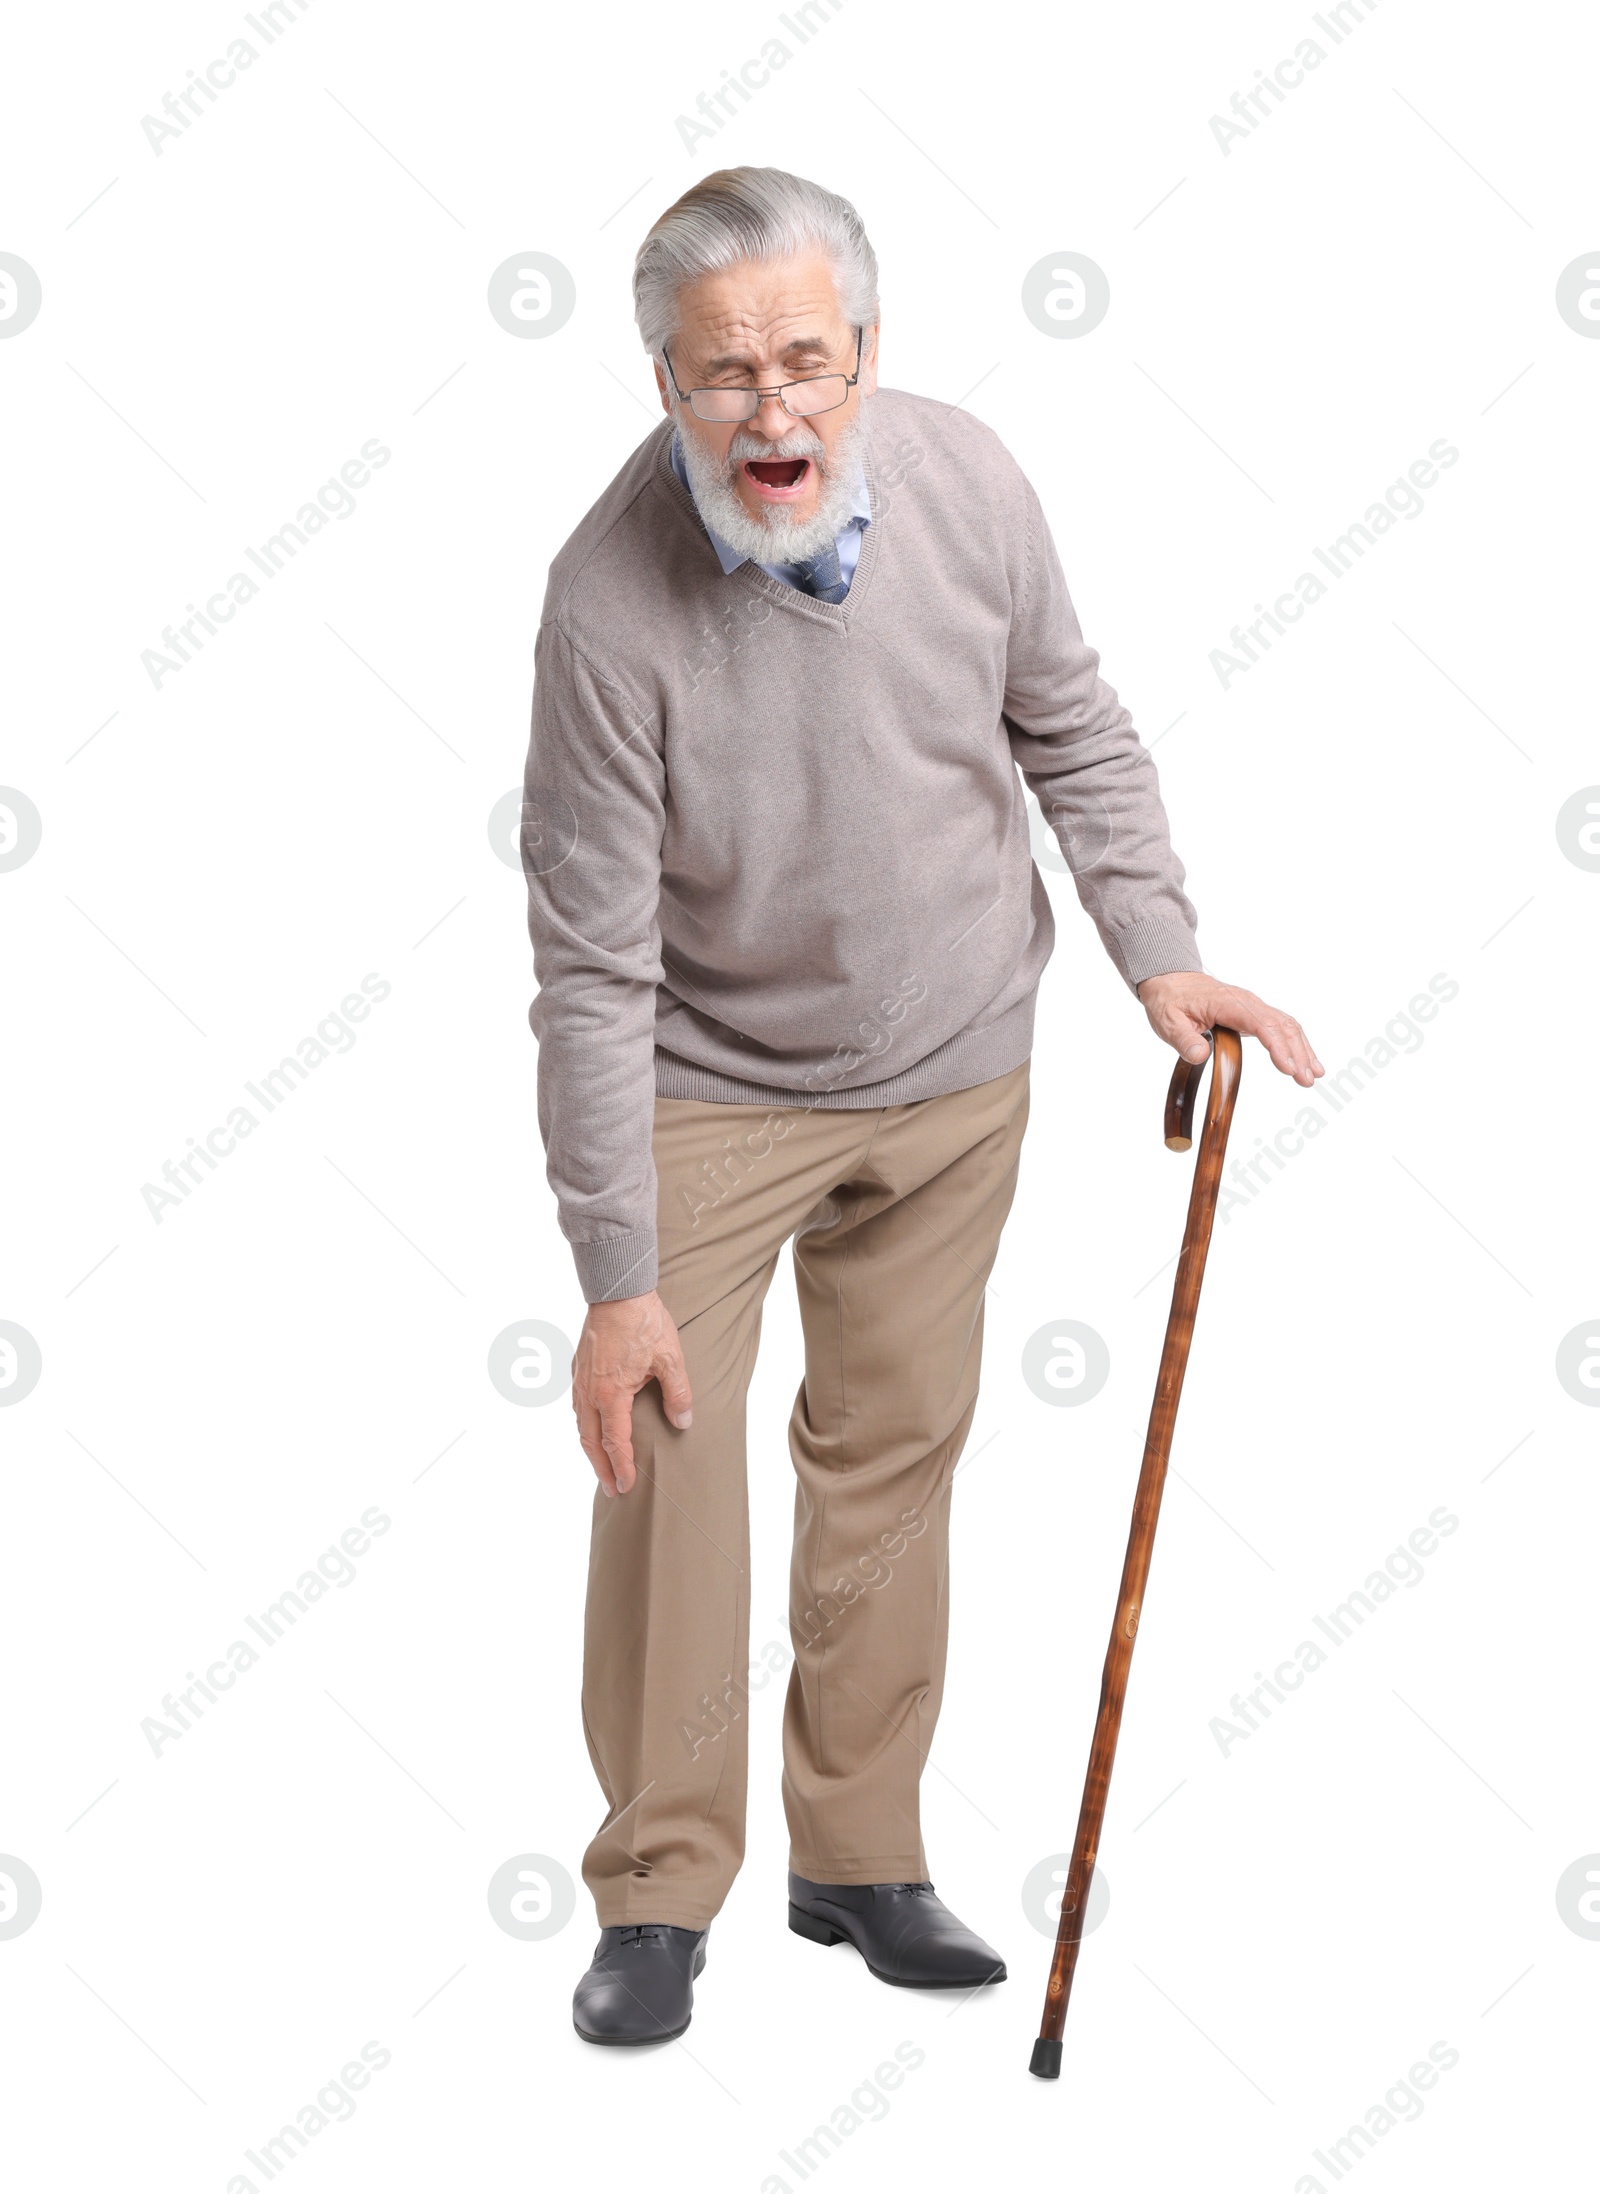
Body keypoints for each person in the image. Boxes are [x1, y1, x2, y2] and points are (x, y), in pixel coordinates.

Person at [521, 166, 1322, 2046]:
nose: (773, 410)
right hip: (714, 1082)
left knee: (894, 1459)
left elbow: (1072, 723)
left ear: (868, 353)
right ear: (664, 389)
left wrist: (1159, 949)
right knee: (671, 1480)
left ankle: (860, 1854)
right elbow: (588, 970)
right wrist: (616, 1268)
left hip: (962, 1061)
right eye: (725, 374)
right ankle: (658, 1888)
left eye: (807, 358)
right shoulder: (603, 605)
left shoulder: (972, 482)